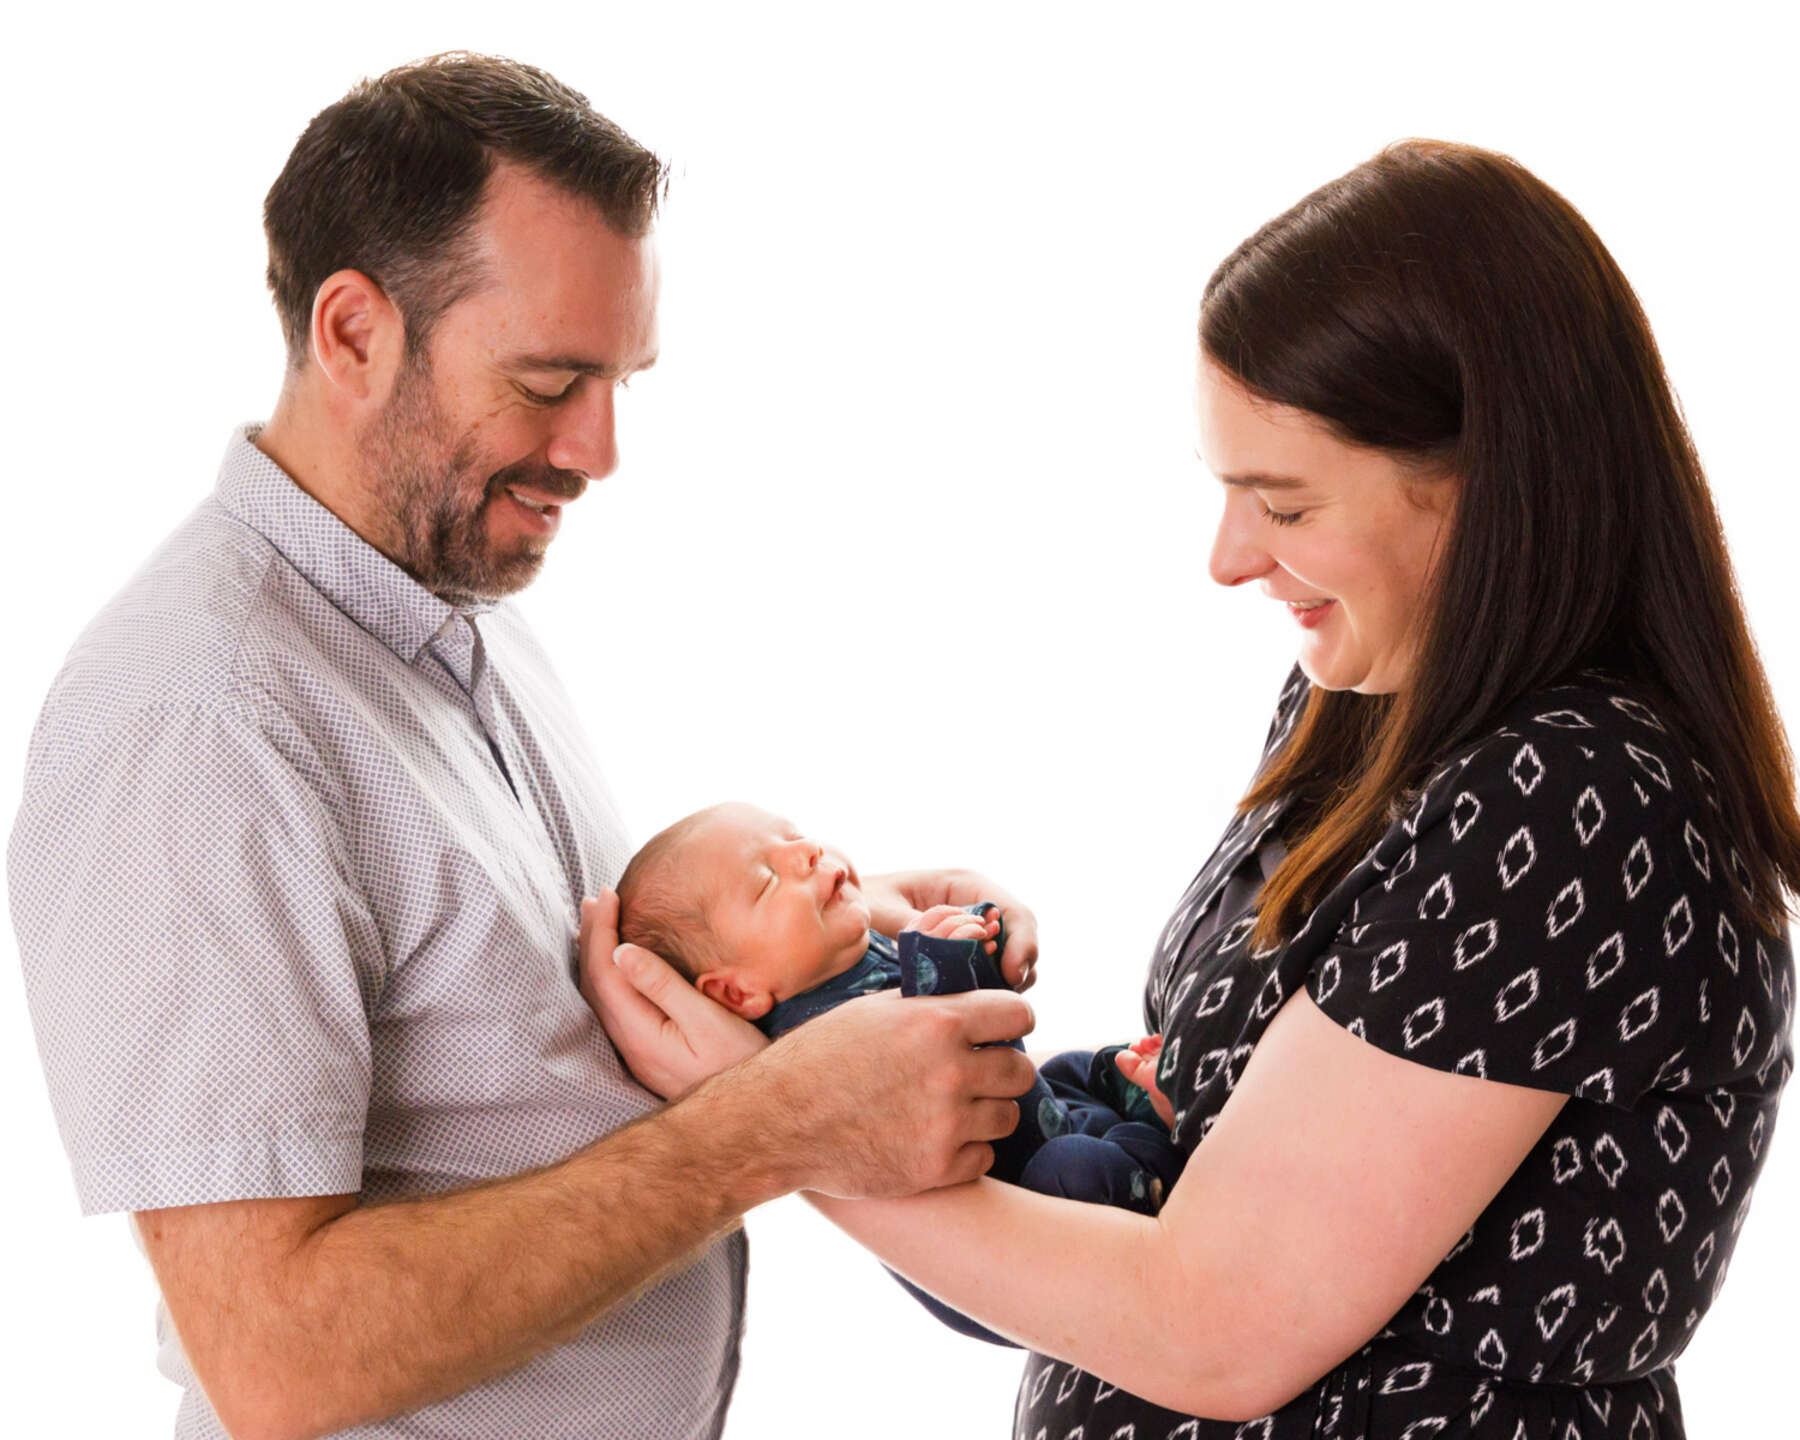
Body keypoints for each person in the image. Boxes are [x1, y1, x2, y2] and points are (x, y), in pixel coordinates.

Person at [587, 139, 1800, 1437]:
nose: (1228, 559)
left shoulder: (1577, 808)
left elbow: (1219, 1328)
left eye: (1281, 502)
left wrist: (775, 1125)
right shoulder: (1368, 699)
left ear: (1484, 483)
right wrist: (861, 920)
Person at [7, 53, 1043, 1440]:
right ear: (357, 332)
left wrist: (855, 933)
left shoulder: (441, 615)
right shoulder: (196, 723)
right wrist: (770, 1131)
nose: (601, 448)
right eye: (552, 380)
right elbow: (278, 1355)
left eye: (619, 380)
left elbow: (531, 1036)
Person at [615, 800, 1185, 1343]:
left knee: (1070, 1068)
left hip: (1038, 1110)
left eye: (795, 837)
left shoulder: (855, 946)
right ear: (737, 992)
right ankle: (1151, 1152)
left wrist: (977, 933)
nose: (809, 853)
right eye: (767, 880)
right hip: (1029, 1205)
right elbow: (948, 1051)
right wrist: (946, 962)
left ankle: (1119, 1087)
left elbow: (1000, 1023)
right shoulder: (808, 1040)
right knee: (1079, 1164)